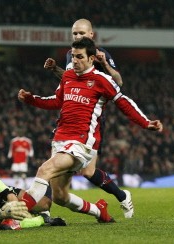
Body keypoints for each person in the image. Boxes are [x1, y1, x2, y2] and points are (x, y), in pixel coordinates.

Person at [18, 37, 163, 222]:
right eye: (72, 56)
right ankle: (98, 211)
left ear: (91, 59)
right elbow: (56, 101)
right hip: (60, 138)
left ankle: (15, 216)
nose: (74, 61)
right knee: (60, 197)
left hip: (81, 142)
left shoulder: (102, 80)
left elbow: (123, 102)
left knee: (44, 170)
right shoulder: (68, 76)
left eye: (79, 57)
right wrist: (32, 99)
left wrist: (146, 122)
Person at [43, 18, 133, 218]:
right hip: (71, 114)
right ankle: (45, 210)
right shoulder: (71, 54)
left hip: (91, 119)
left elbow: (118, 82)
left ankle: (120, 196)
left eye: (82, 33)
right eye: (75, 34)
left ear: (91, 35)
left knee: (88, 172)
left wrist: (104, 64)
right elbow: (70, 79)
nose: (78, 37)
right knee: (55, 167)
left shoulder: (101, 54)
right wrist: (55, 70)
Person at [0, 152, 114, 231]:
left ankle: (41, 215)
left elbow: (4, 191)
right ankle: (41, 220)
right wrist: (2, 215)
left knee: (45, 203)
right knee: (2, 225)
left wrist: (15, 205)